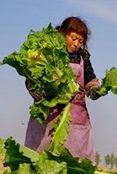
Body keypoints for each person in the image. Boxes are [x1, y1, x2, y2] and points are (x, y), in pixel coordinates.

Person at [24, 16, 101, 161]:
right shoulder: (47, 52)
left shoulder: (83, 57)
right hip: (48, 116)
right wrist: (40, 92)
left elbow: (90, 79)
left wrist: (94, 89)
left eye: (81, 41)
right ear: (63, 34)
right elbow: (31, 78)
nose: (76, 44)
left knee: (75, 162)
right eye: (73, 38)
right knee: (40, 158)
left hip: (75, 119)